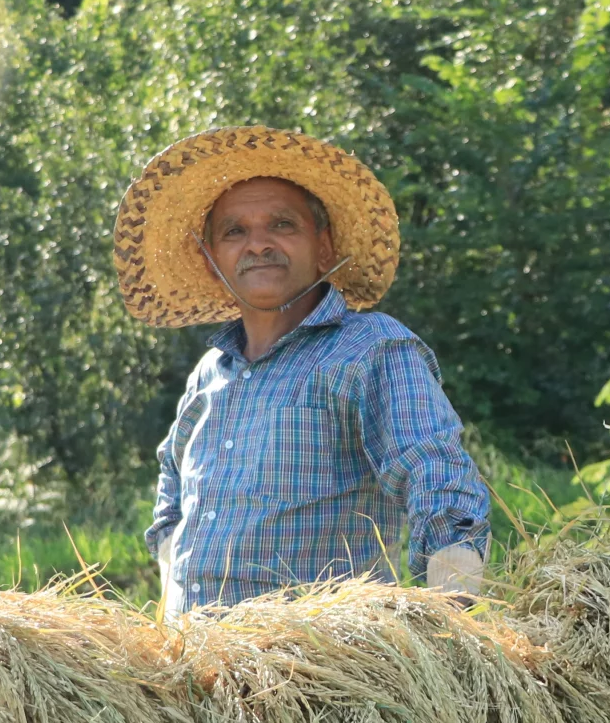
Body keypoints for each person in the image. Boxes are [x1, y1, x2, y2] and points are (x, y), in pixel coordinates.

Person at [113, 126, 492, 616]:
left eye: (283, 225)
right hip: (196, 672)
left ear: (325, 247)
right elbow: (170, 507)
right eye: (234, 231)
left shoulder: (370, 348)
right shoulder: (210, 374)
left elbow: (436, 480)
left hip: (313, 669)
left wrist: (452, 623)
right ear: (211, 261)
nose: (258, 245)